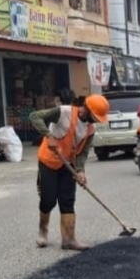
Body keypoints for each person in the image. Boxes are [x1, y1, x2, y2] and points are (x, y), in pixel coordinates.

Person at [29, 94, 110, 251]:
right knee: (48, 199)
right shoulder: (63, 112)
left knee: (67, 200)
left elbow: (82, 153)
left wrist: (80, 171)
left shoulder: (90, 129)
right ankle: (43, 230)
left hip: (68, 165)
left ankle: (69, 240)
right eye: (95, 116)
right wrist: (48, 135)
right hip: (49, 162)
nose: (97, 120)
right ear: (86, 109)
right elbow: (35, 117)